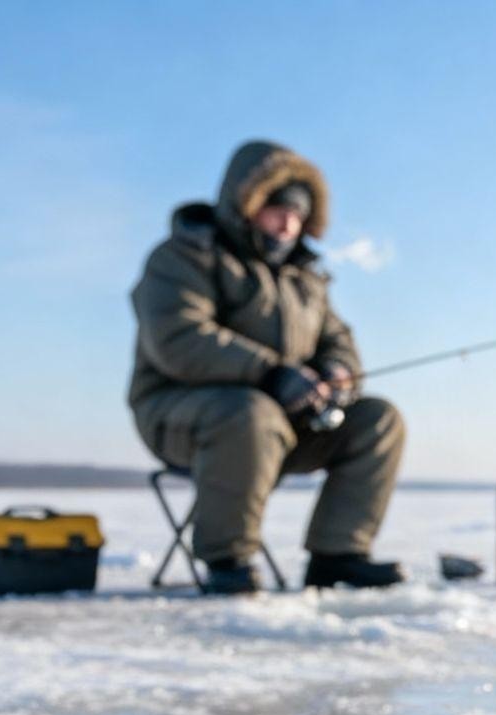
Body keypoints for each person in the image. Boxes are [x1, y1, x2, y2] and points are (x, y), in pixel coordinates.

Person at [129, 140, 406, 594]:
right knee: (251, 415)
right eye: (278, 212)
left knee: (379, 419)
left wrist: (336, 372)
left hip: (286, 423)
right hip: (181, 416)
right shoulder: (183, 257)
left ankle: (337, 557)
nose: (288, 226)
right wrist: (270, 373)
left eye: (297, 217)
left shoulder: (305, 278)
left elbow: (338, 339)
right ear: (246, 206)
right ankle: (228, 559)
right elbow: (179, 338)